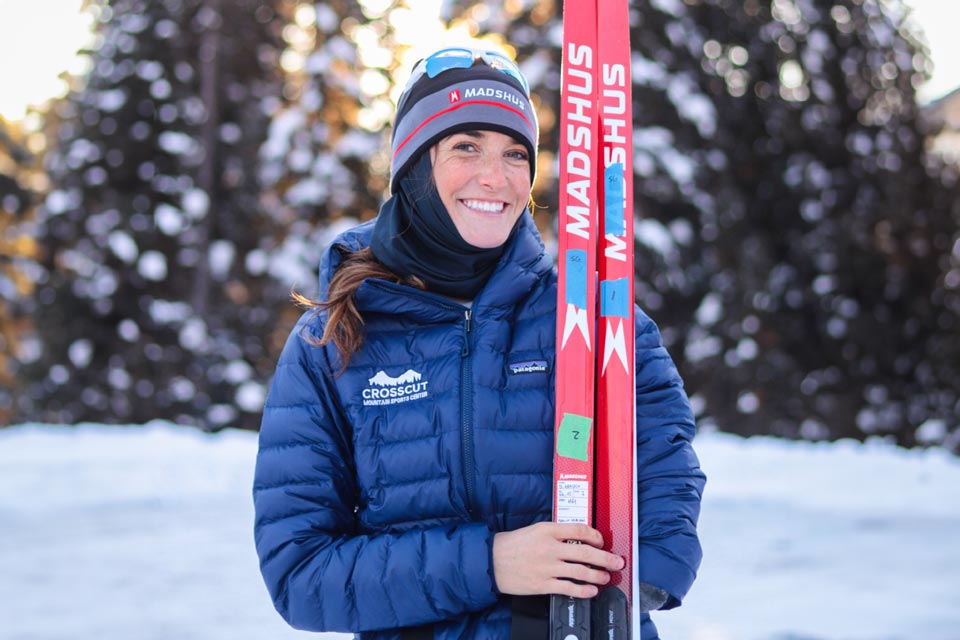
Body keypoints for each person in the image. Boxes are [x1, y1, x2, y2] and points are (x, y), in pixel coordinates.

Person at [252, 44, 705, 640]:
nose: (496, 177)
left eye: (516, 153)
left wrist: (638, 584)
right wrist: (490, 564)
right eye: (466, 146)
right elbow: (300, 575)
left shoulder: (595, 319)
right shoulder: (332, 341)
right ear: (414, 165)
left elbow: (666, 470)